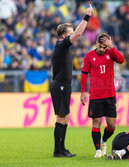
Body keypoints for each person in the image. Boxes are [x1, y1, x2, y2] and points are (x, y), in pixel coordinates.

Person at [50, 4, 93, 158]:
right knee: (61, 116)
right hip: (60, 84)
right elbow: (78, 34)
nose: (74, 33)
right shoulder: (62, 45)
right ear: (64, 35)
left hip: (63, 84)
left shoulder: (62, 47)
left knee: (65, 116)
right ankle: (58, 151)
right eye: (70, 32)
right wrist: (87, 16)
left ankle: (61, 149)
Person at [80, 32, 124, 158]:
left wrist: (112, 46)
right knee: (96, 122)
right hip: (95, 95)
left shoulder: (111, 53)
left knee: (111, 125)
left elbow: (121, 60)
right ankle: (98, 150)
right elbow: (84, 74)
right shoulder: (89, 56)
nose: (101, 50)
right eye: (100, 47)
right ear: (96, 44)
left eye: (104, 47)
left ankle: (103, 140)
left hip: (110, 94)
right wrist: (83, 92)